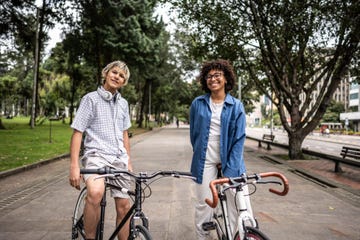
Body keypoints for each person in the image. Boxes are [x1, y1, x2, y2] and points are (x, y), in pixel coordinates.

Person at [69, 60, 132, 240]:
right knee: (96, 193)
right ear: (105, 73)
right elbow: (77, 132)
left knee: (124, 206)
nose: (117, 77)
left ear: (123, 82)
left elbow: (124, 134)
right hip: (96, 156)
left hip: (119, 159)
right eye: (114, 72)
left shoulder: (123, 104)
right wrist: (74, 166)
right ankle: (90, 237)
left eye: (121, 76)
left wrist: (128, 162)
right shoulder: (90, 99)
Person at [189, 59, 249, 239]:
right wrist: (202, 155)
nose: (212, 79)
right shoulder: (197, 104)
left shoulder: (236, 106)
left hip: (231, 160)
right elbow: (194, 135)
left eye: (217, 75)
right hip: (204, 161)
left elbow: (239, 139)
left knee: (234, 204)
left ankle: (232, 235)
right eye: (209, 76)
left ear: (226, 79)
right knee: (204, 205)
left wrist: (229, 171)